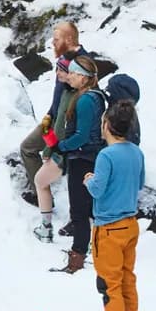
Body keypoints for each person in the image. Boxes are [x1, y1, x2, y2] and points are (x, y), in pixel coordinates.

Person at [84, 100, 144, 311]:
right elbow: (140, 184)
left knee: (110, 283)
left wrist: (89, 180)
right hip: (130, 224)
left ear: (107, 125)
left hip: (108, 226)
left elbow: (98, 189)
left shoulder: (106, 155)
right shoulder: (136, 152)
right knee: (127, 278)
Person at [23, 21, 83, 241]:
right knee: (28, 147)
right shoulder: (63, 62)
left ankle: (48, 200)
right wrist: (48, 115)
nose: (52, 43)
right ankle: (42, 194)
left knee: (68, 171)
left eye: (56, 39)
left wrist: (55, 146)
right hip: (54, 120)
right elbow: (59, 97)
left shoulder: (80, 64)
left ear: (68, 40)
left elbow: (74, 102)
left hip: (66, 129)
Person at [51, 54, 107, 274]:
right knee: (90, 208)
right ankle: (91, 250)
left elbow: (82, 135)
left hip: (83, 157)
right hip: (92, 157)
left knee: (79, 211)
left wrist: (61, 146)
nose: (70, 76)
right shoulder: (96, 97)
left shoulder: (85, 100)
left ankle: (78, 256)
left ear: (84, 78)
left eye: (74, 73)